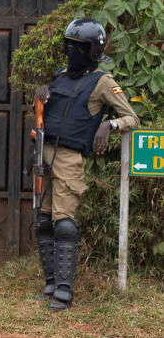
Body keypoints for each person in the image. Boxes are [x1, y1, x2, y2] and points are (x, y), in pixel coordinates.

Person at [33, 18, 138, 311]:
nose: (72, 52)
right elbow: (43, 110)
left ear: (92, 50)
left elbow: (133, 117)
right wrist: (40, 95)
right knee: (43, 222)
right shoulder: (61, 75)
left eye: (78, 47)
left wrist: (110, 124)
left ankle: (64, 293)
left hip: (69, 158)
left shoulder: (103, 81)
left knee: (63, 224)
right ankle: (50, 283)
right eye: (69, 46)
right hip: (45, 153)